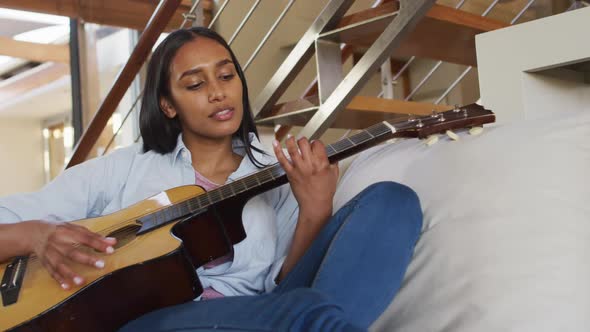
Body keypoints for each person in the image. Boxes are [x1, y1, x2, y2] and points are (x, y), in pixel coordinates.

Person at [0, 27, 423, 332]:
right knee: (305, 313)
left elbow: (286, 282)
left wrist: (314, 208)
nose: (218, 92)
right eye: (195, 84)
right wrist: (35, 235)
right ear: (167, 105)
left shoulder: (280, 167)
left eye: (226, 76)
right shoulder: (121, 169)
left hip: (265, 312)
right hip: (154, 320)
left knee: (391, 200)